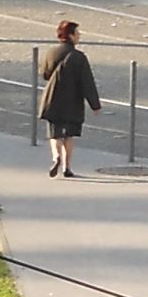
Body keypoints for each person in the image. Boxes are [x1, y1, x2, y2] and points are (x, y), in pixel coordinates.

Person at [36, 18, 102, 178]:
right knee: (69, 135)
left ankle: (55, 157)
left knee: (55, 133)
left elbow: (44, 74)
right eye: (77, 33)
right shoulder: (79, 57)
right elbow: (87, 82)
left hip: (53, 98)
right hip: (72, 100)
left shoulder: (51, 53)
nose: (79, 35)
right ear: (71, 36)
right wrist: (95, 105)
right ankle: (67, 167)